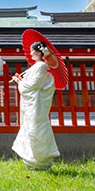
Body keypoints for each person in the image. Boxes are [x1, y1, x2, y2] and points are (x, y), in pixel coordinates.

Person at [11, 41, 60, 170]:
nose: (31, 52)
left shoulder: (41, 67)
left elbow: (32, 86)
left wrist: (18, 82)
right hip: (33, 104)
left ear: (38, 52)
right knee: (30, 129)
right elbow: (30, 84)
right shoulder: (36, 67)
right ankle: (31, 160)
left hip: (37, 105)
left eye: (32, 50)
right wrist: (21, 80)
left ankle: (41, 161)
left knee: (37, 130)